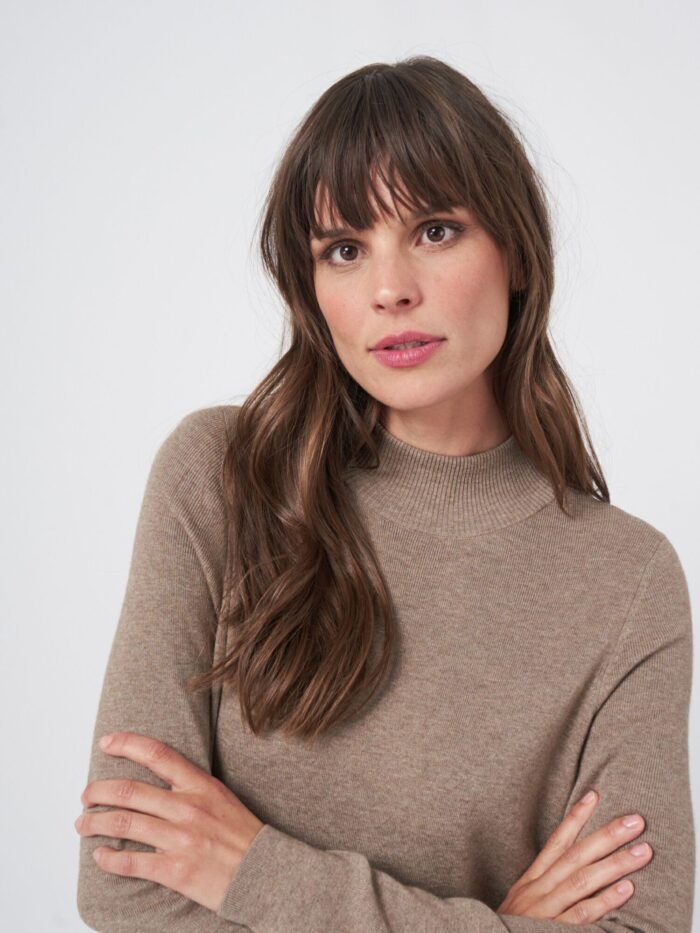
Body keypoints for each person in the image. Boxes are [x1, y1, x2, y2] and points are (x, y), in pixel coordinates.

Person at [75, 56, 695, 931]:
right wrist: (498, 922)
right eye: (344, 249)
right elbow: (122, 886)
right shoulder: (220, 479)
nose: (390, 289)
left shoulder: (626, 579)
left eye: (435, 231)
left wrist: (251, 871)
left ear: (516, 251)